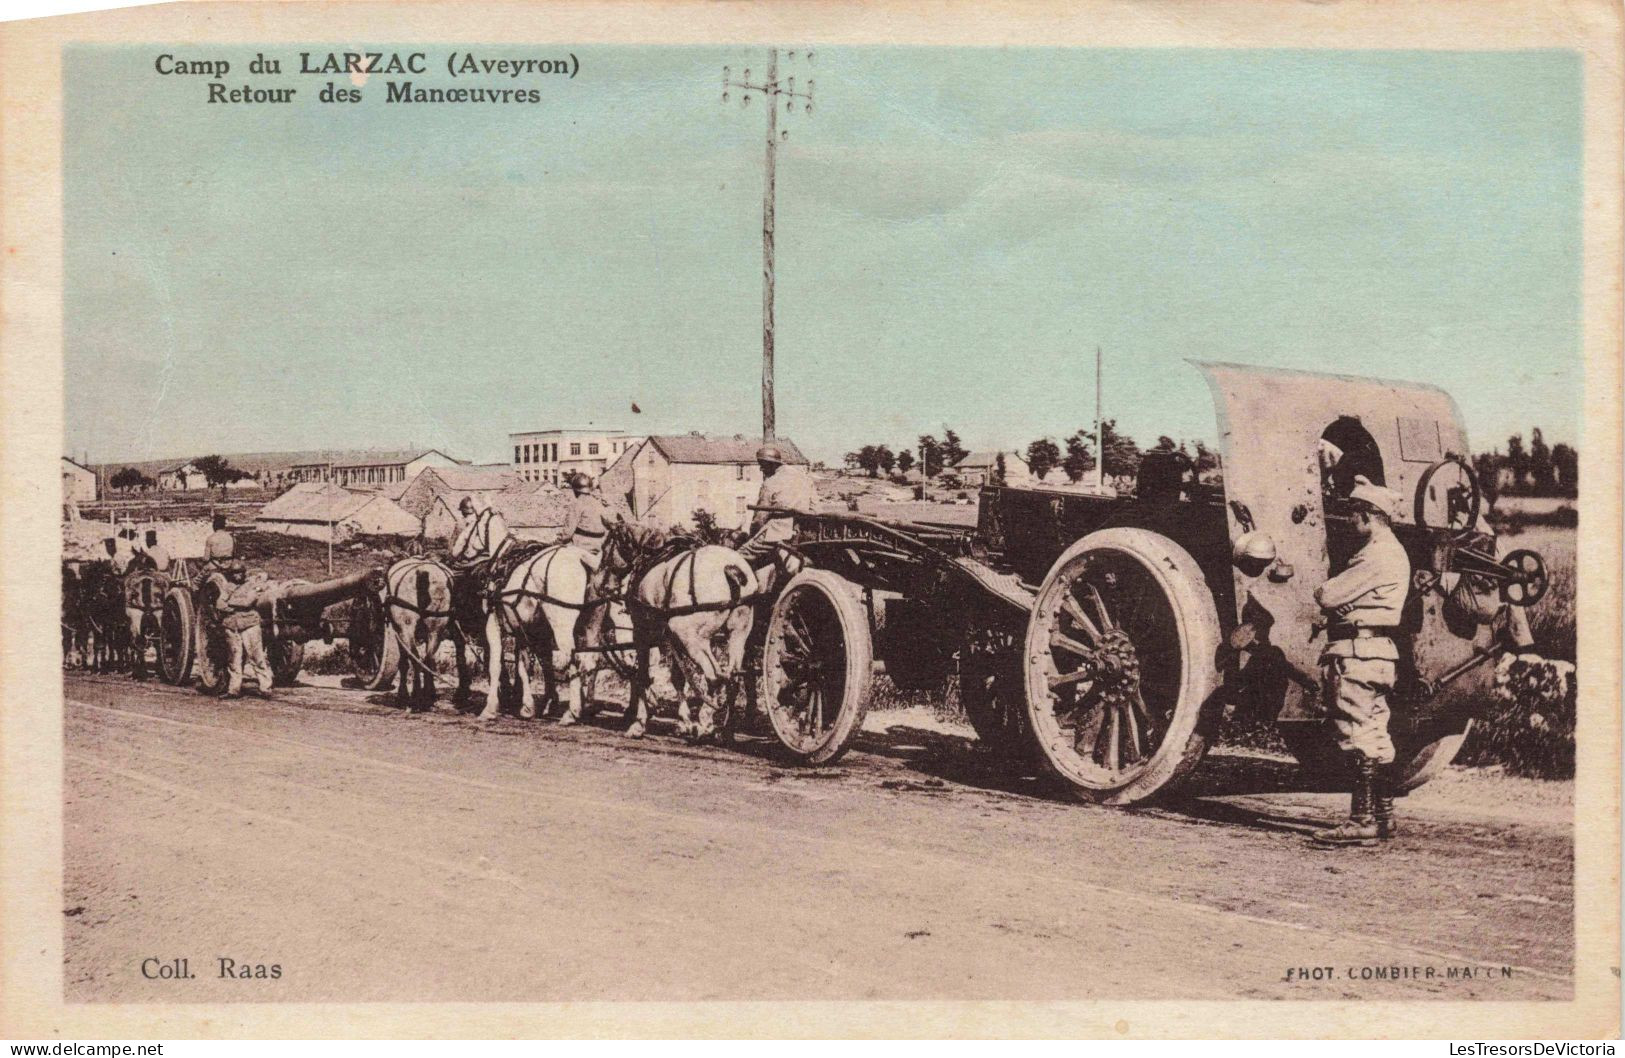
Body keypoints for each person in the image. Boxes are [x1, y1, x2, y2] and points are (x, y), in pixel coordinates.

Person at [1312, 474, 1411, 847]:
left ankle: (1362, 820)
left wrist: (1334, 593)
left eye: (1354, 512)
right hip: (1379, 653)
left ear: (1370, 515)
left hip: (1358, 653)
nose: (1349, 520)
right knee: (1377, 733)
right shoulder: (1392, 552)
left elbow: (1328, 595)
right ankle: (1384, 817)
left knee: (1355, 735)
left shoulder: (1376, 555)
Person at [738, 444, 814, 569]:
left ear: (771, 464)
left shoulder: (771, 482)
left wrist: (752, 537)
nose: (761, 469)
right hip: (800, 533)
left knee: (738, 557)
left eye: (762, 465)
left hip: (777, 532)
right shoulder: (805, 478)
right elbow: (815, 508)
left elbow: (760, 518)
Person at [217, 561, 273, 699]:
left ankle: (265, 688)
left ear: (244, 573)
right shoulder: (228, 587)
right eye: (234, 573)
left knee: (257, 657)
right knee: (234, 660)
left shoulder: (252, 585)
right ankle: (233, 690)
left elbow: (248, 601)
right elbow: (219, 604)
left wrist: (230, 603)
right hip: (232, 626)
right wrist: (236, 603)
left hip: (250, 624)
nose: (237, 576)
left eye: (239, 573)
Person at [555, 472, 615, 571]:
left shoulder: (577, 504)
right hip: (599, 545)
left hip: (581, 546)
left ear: (575, 490)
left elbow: (567, 534)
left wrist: (557, 542)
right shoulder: (598, 503)